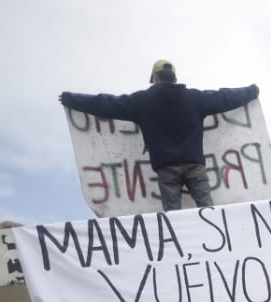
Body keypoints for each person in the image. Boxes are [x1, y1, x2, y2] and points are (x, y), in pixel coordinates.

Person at [59, 61, 260, 211]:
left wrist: (72, 99)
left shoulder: (142, 102)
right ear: (174, 77)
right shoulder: (195, 98)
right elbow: (225, 97)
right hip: (195, 165)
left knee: (173, 217)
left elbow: (106, 103)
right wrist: (251, 91)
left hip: (166, 169)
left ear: (155, 78)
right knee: (208, 211)